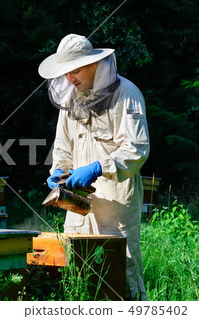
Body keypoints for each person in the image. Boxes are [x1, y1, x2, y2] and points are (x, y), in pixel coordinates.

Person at [39, 34, 150, 300]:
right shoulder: (69, 101)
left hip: (116, 203)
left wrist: (98, 167)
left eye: (75, 71)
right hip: (78, 204)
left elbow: (137, 148)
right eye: (65, 73)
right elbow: (63, 148)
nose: (69, 79)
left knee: (123, 272)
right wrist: (57, 172)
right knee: (78, 272)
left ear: (94, 64)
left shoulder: (126, 93)